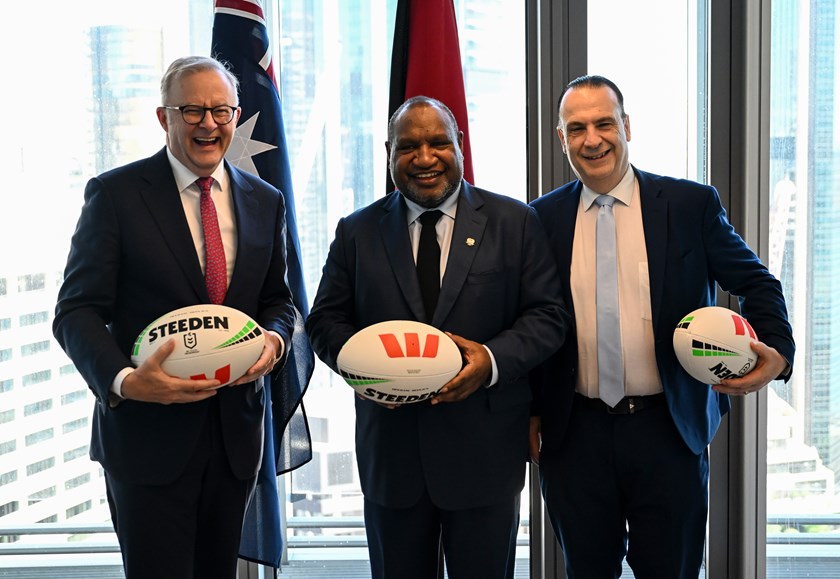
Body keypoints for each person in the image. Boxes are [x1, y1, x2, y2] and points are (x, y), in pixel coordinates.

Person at [529, 74, 795, 578]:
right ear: (561, 140)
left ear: (626, 126)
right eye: (577, 128)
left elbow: (758, 284)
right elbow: (527, 324)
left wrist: (777, 353)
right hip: (575, 436)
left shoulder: (690, 206)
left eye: (604, 123)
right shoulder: (539, 220)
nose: (593, 139)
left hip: (668, 432)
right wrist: (528, 411)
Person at [52, 56, 297, 579]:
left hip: (235, 441)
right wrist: (123, 381)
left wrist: (274, 343)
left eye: (221, 110)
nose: (208, 123)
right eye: (191, 110)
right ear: (164, 118)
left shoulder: (265, 200)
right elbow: (76, 311)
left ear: (235, 115)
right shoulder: (116, 195)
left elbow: (280, 302)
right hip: (146, 442)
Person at [305, 95, 569, 579]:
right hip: (393, 460)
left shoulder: (515, 223)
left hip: (485, 457)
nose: (424, 158)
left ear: (460, 145)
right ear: (389, 152)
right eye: (408, 146)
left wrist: (489, 361)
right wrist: (365, 371)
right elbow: (323, 322)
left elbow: (548, 316)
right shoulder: (357, 232)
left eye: (437, 142)